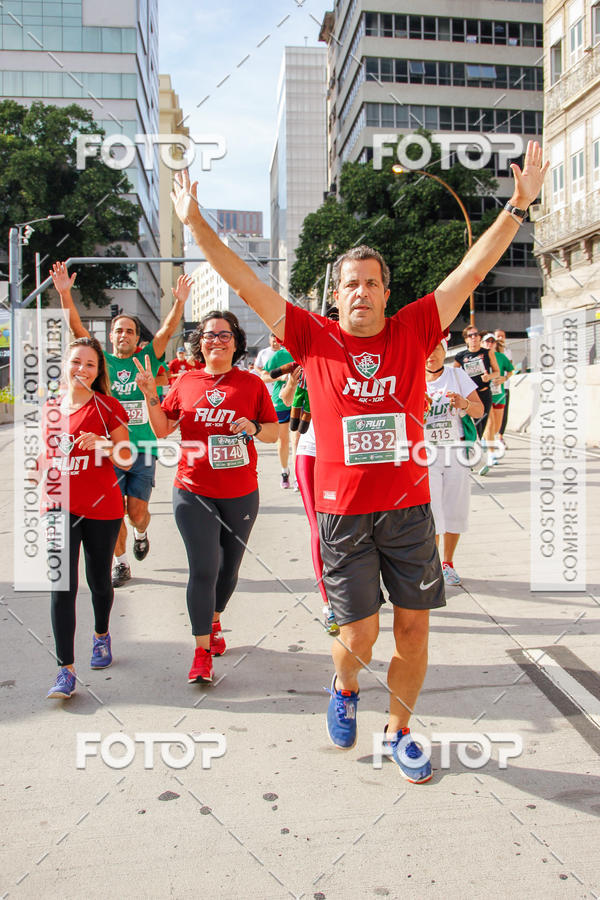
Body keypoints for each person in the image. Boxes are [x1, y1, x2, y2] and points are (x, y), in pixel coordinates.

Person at [170, 141, 547, 782]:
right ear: (336, 296)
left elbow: (470, 272)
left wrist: (517, 206)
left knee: (414, 635)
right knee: (359, 639)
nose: (363, 293)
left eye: (373, 283)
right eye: (351, 285)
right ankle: (343, 688)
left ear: (386, 292)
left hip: (407, 514)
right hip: (343, 516)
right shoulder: (311, 336)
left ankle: (400, 730)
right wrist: (195, 223)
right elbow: (243, 281)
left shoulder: (415, 328)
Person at [133, 310, 278, 685]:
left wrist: (254, 426)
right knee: (204, 568)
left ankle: (214, 619)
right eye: (209, 334)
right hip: (192, 489)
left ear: (236, 341)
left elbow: (273, 435)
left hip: (241, 494)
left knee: (228, 571)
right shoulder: (185, 381)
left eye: (224, 335)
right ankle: (201, 653)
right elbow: (163, 428)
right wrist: (151, 395)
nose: (216, 340)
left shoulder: (252, 384)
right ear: (200, 342)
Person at [50, 262, 192, 587]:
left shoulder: (148, 358)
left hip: (142, 450)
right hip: (108, 450)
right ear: (109, 337)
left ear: (136, 337)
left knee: (136, 512)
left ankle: (142, 533)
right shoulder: (101, 361)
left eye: (130, 330)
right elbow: (75, 328)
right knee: (114, 515)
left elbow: (166, 332)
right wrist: (64, 293)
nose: (124, 334)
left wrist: (180, 302)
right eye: (118, 330)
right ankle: (122, 562)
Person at [40, 338, 132, 699]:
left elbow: (126, 458)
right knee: (62, 587)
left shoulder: (108, 406)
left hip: (102, 508)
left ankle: (101, 635)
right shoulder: (48, 408)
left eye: (91, 364)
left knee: (99, 583)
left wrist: (105, 445)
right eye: (76, 361)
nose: (82, 369)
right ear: (65, 364)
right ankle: (65, 670)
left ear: (98, 372)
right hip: (59, 508)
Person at [280, 366, 340, 635]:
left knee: (346, 525)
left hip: (342, 454)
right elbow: (285, 398)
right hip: (311, 452)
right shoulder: (305, 363)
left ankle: (354, 588)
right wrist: (293, 382)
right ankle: (329, 604)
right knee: (318, 528)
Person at [424, 338, 483, 586]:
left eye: (436, 349)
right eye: (426, 350)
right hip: (424, 453)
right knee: (432, 512)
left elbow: (479, 410)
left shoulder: (456, 376)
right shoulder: (410, 377)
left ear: (444, 351)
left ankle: (447, 563)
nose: (431, 355)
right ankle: (433, 566)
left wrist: (464, 403)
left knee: (455, 510)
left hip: (455, 450)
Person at [454, 327, 499, 439]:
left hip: (484, 393)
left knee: (481, 423)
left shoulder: (487, 353)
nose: (473, 337)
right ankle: (473, 444)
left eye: (475, 334)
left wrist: (489, 377)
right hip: (469, 394)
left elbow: (497, 372)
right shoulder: (460, 356)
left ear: (479, 337)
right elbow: (454, 374)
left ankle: (477, 443)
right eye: (470, 335)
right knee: (471, 423)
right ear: (466, 340)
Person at [479, 333, 514, 475]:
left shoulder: (501, 357)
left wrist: (504, 378)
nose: (490, 344)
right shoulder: (479, 358)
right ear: (482, 343)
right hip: (485, 395)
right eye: (487, 341)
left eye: (492, 341)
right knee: (490, 422)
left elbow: (511, 370)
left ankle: (486, 441)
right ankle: (491, 454)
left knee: (497, 427)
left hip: (499, 394)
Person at [261, 342, 295, 488]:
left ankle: (299, 476)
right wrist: (280, 378)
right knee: (283, 439)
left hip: (300, 400)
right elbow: (264, 375)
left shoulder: (307, 349)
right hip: (280, 401)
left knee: (297, 439)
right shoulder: (279, 355)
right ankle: (284, 472)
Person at [494, 328, 513, 443]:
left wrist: (504, 378)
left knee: (503, 412)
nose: (500, 338)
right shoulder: (488, 351)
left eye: (503, 336)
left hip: (504, 387)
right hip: (491, 389)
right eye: (498, 336)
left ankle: (500, 436)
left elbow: (510, 369)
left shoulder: (507, 351)